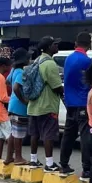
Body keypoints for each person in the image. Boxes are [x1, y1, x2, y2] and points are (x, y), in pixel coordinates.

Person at [28, 36, 63, 173]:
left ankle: (33, 159)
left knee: (34, 134)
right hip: (47, 105)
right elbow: (56, 86)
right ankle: (49, 163)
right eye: (55, 44)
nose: (57, 46)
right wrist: (64, 91)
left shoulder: (37, 60)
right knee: (48, 134)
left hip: (34, 105)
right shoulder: (50, 64)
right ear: (49, 47)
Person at [61, 32, 92, 179]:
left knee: (69, 134)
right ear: (89, 44)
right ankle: (87, 168)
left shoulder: (68, 59)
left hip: (70, 102)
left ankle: (64, 163)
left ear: (76, 43)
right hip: (82, 102)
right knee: (85, 135)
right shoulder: (87, 61)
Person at [6, 48, 30, 166]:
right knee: (19, 134)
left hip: (12, 105)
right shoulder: (20, 72)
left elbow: (7, 82)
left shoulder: (13, 70)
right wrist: (24, 100)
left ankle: (9, 157)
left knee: (13, 133)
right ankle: (18, 157)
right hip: (19, 107)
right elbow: (16, 87)